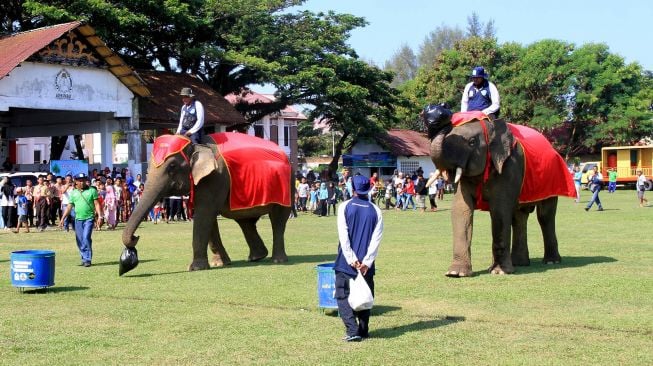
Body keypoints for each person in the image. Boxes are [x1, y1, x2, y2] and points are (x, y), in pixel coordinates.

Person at [334, 175, 383, 342]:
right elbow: (377, 239)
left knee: (342, 295)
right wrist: (366, 262)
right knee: (366, 296)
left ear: (352, 188)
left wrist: (351, 258)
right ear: (368, 189)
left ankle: (352, 330)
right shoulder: (376, 210)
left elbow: (343, 235)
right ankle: (363, 330)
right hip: (366, 265)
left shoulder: (344, 207)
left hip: (346, 262)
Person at [60, 173, 103, 267]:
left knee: (86, 237)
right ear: (76, 181)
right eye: (80, 180)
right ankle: (83, 258)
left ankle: (87, 259)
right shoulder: (74, 193)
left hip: (89, 218)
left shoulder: (92, 190)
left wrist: (100, 216)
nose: (82, 182)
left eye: (83, 180)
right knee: (79, 239)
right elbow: (69, 207)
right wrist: (63, 218)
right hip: (78, 219)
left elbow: (96, 204)